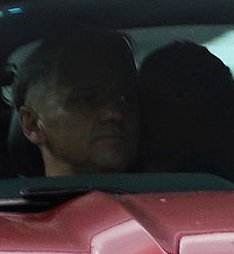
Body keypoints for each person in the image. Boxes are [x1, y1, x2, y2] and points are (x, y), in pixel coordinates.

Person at [12, 30, 140, 176]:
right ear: (33, 125)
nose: (116, 114)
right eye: (87, 100)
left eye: (125, 99)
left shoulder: (165, 191)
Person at [136, 39, 234, 182]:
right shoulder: (115, 176)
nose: (144, 114)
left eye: (164, 105)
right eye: (140, 100)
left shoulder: (207, 188)